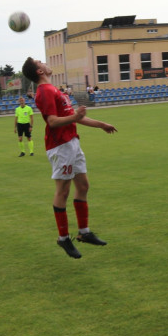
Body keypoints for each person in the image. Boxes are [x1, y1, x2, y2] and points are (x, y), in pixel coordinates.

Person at [23, 57, 118, 258]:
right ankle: (63, 238)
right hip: (60, 146)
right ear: (39, 71)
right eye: (40, 62)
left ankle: (84, 233)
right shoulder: (45, 91)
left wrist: (101, 124)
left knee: (83, 186)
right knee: (63, 191)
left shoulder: (55, 89)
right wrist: (75, 118)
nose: (44, 62)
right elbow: (53, 121)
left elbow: (76, 117)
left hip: (72, 142)